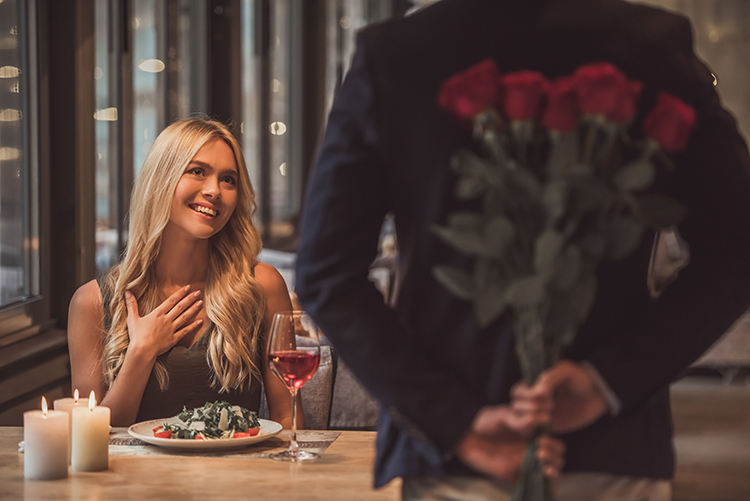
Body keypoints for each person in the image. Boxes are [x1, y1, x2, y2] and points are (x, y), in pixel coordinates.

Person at [294, 0, 750, 499]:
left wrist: (457, 420)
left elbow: (325, 275)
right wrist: (607, 382)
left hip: (457, 464)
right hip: (610, 453)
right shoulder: (651, 45)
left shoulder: (396, 54)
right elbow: (736, 253)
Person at [68, 117, 301, 429]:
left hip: (243, 475)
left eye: (228, 180)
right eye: (197, 171)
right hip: (135, 478)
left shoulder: (264, 285)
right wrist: (141, 352)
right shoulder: (91, 302)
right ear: (160, 179)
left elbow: (288, 417)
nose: (214, 191)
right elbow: (91, 436)